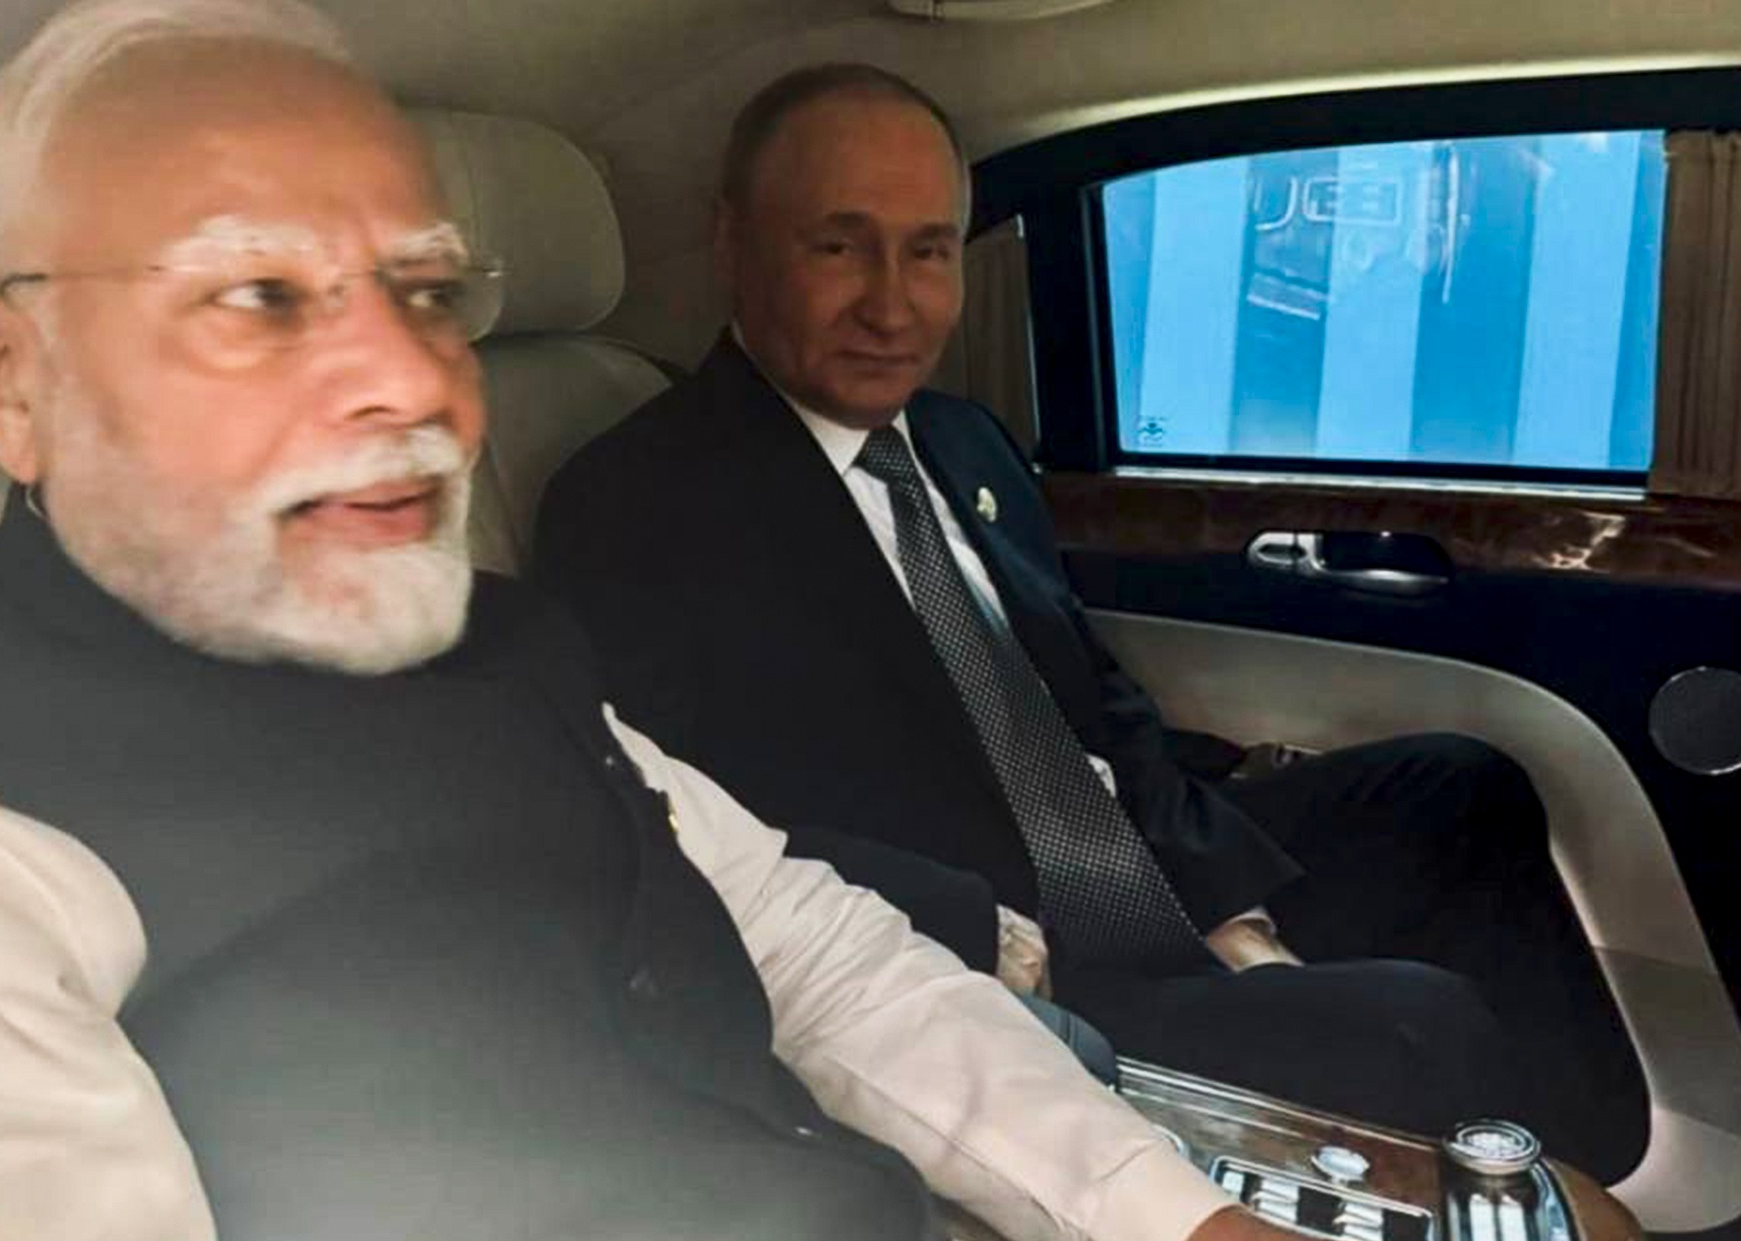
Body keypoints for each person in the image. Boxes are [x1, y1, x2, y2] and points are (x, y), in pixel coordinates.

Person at [0, 4, 1694, 1241]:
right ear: (1, 377)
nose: (413, 382)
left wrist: (1198, 1240)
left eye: (426, 291)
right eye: (255, 297)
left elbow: (816, 948)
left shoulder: (476, 647)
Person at [532, 63, 1648, 1183]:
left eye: (928, 252)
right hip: (1005, 961)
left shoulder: (959, 440)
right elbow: (682, 826)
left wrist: (1226, 907)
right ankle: (1530, 1236)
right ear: (733, 243)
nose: (893, 306)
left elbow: (1091, 697)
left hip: (1121, 860)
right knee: (1417, 1024)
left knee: (1459, 788)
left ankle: (1587, 1180)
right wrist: (986, 932)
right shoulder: (635, 505)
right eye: (839, 246)